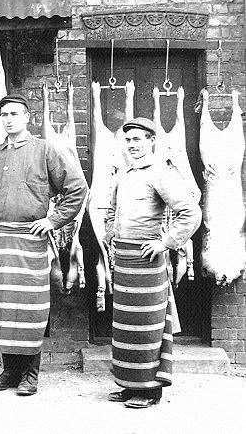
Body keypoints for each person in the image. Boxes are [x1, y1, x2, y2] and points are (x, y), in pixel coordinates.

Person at [0, 94, 88, 396]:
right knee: (5, 308)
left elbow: (77, 188)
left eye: (14, 113)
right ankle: (10, 372)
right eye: (4, 114)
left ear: (27, 118)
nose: (9, 119)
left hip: (31, 240)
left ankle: (30, 375)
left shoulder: (45, 150)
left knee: (30, 307)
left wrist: (53, 221)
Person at [104, 117, 200, 408]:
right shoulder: (124, 174)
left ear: (151, 141)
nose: (133, 145)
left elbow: (190, 213)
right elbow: (110, 211)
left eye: (138, 139)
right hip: (124, 260)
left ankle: (149, 390)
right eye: (128, 140)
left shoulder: (160, 173)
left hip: (148, 261)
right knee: (125, 325)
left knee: (148, 325)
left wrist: (165, 242)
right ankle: (129, 384)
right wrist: (112, 235)